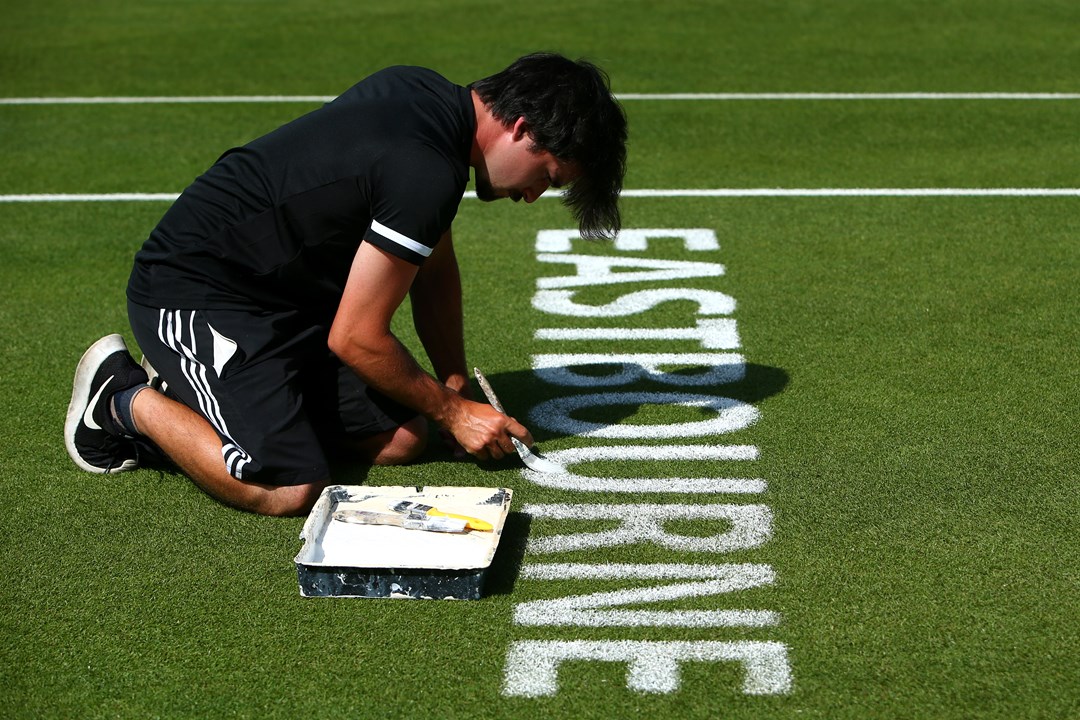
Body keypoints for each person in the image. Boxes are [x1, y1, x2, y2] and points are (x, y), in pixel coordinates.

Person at [64, 52, 628, 517]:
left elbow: (433, 269)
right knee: (286, 486)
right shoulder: (427, 169)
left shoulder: (427, 96)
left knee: (404, 438)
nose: (532, 197)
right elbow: (355, 338)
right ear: (522, 128)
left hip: (283, 297)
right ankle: (121, 400)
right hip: (197, 290)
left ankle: (216, 393)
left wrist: (451, 389)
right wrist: (455, 415)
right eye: (547, 177)